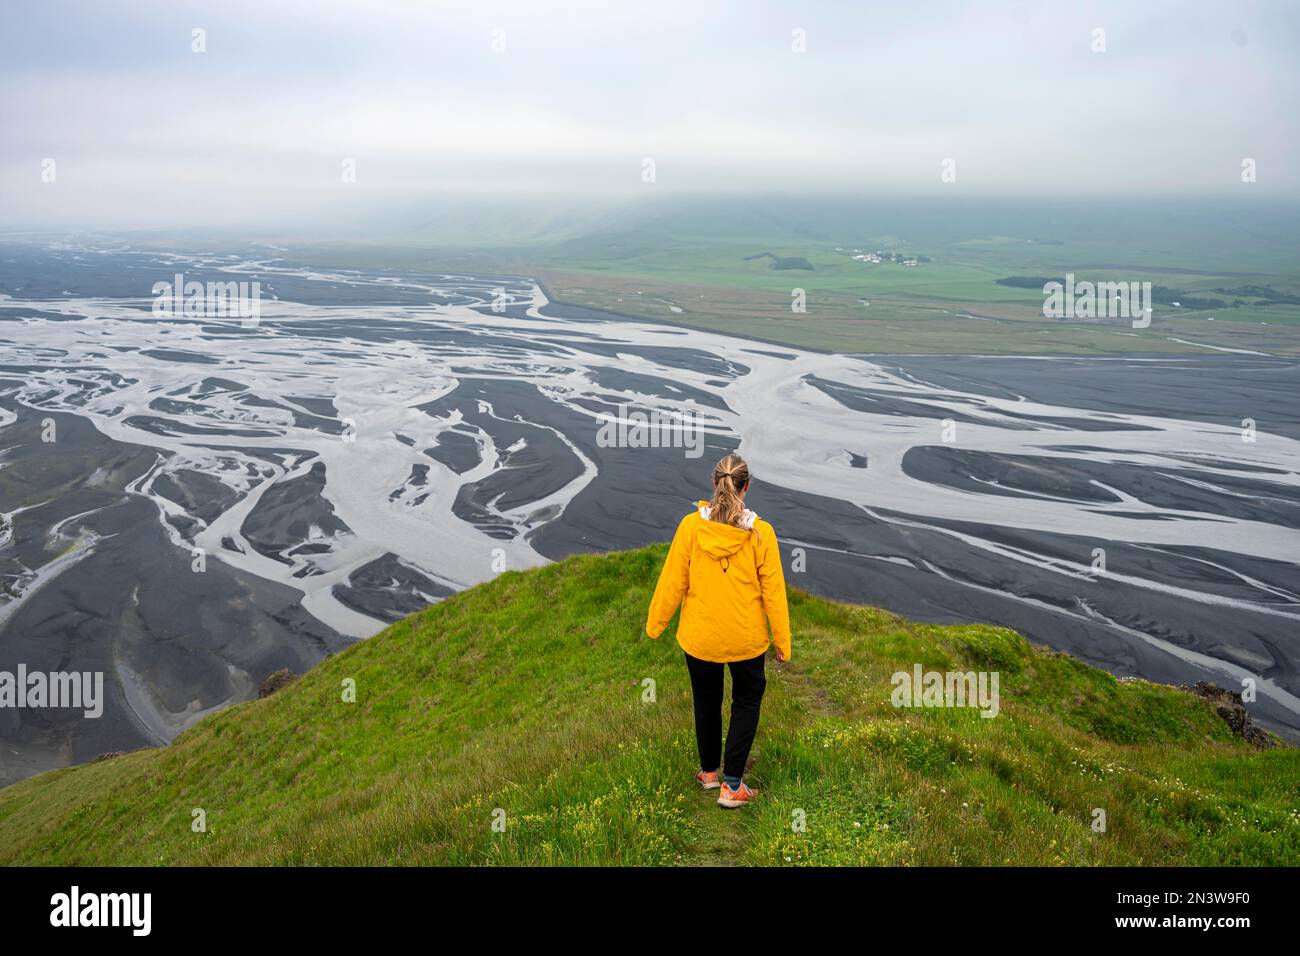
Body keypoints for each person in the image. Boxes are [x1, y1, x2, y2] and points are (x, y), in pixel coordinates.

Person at [645, 453, 791, 808]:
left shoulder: (690, 527)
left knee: (706, 701)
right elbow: (774, 593)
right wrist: (782, 643)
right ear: (747, 486)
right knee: (746, 700)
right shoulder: (761, 534)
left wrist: (656, 624)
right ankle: (732, 786)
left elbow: (673, 581)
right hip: (746, 638)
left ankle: (709, 773)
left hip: (700, 636)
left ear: (714, 484)